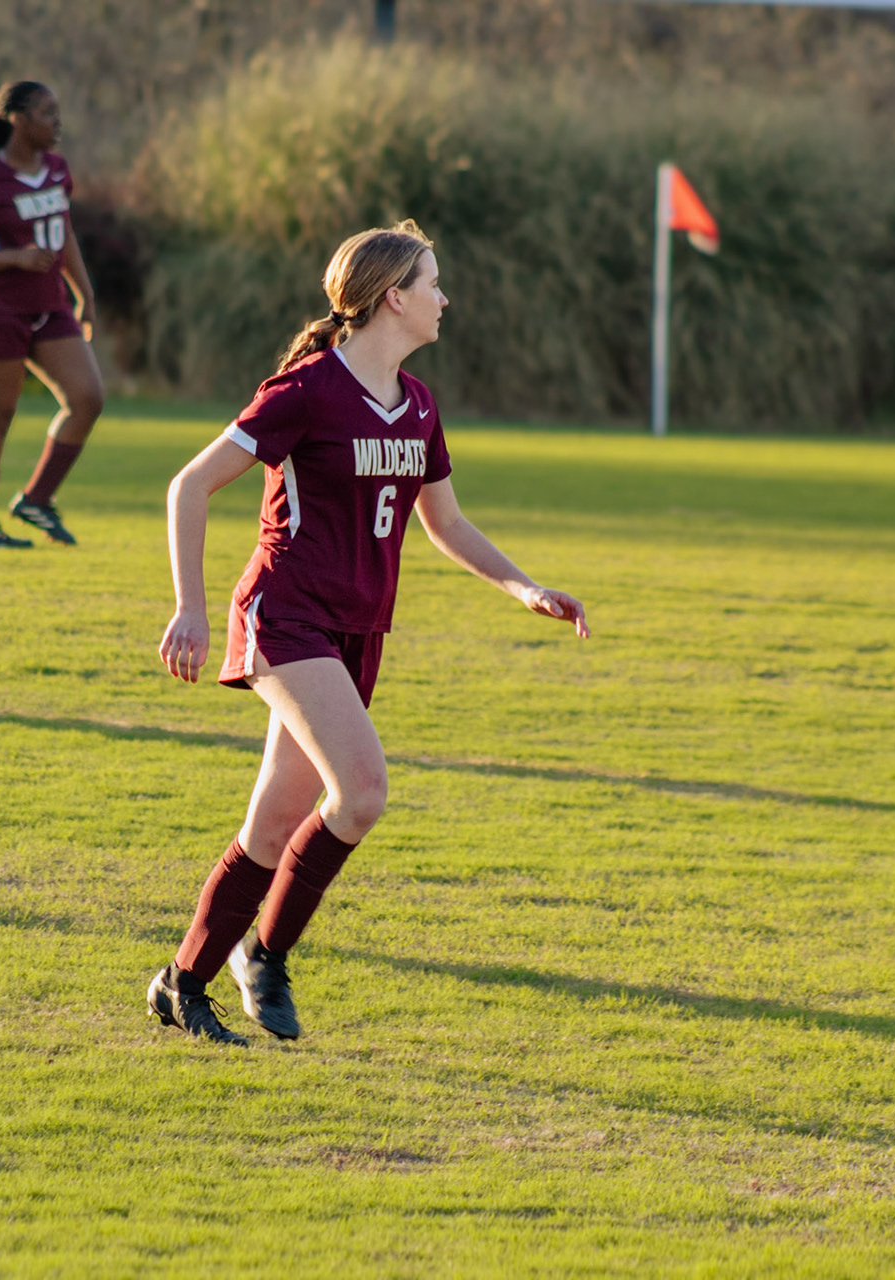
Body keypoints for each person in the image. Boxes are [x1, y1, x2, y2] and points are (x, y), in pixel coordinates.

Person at [147, 221, 590, 1045]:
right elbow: (189, 486)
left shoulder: (418, 405)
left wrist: (524, 588)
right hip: (285, 613)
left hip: (357, 630)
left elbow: (446, 524)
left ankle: (183, 981)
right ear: (394, 298)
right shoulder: (308, 390)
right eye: (432, 283)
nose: (444, 298)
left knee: (274, 826)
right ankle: (266, 958)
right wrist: (191, 607)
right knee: (363, 791)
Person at [0, 80, 104, 548]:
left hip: (49, 304)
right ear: (18, 119)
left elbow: (64, 232)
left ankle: (36, 499)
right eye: (47, 113)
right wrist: (14, 258)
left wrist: (85, 293)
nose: (57, 123)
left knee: (88, 398)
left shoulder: (56, 168)